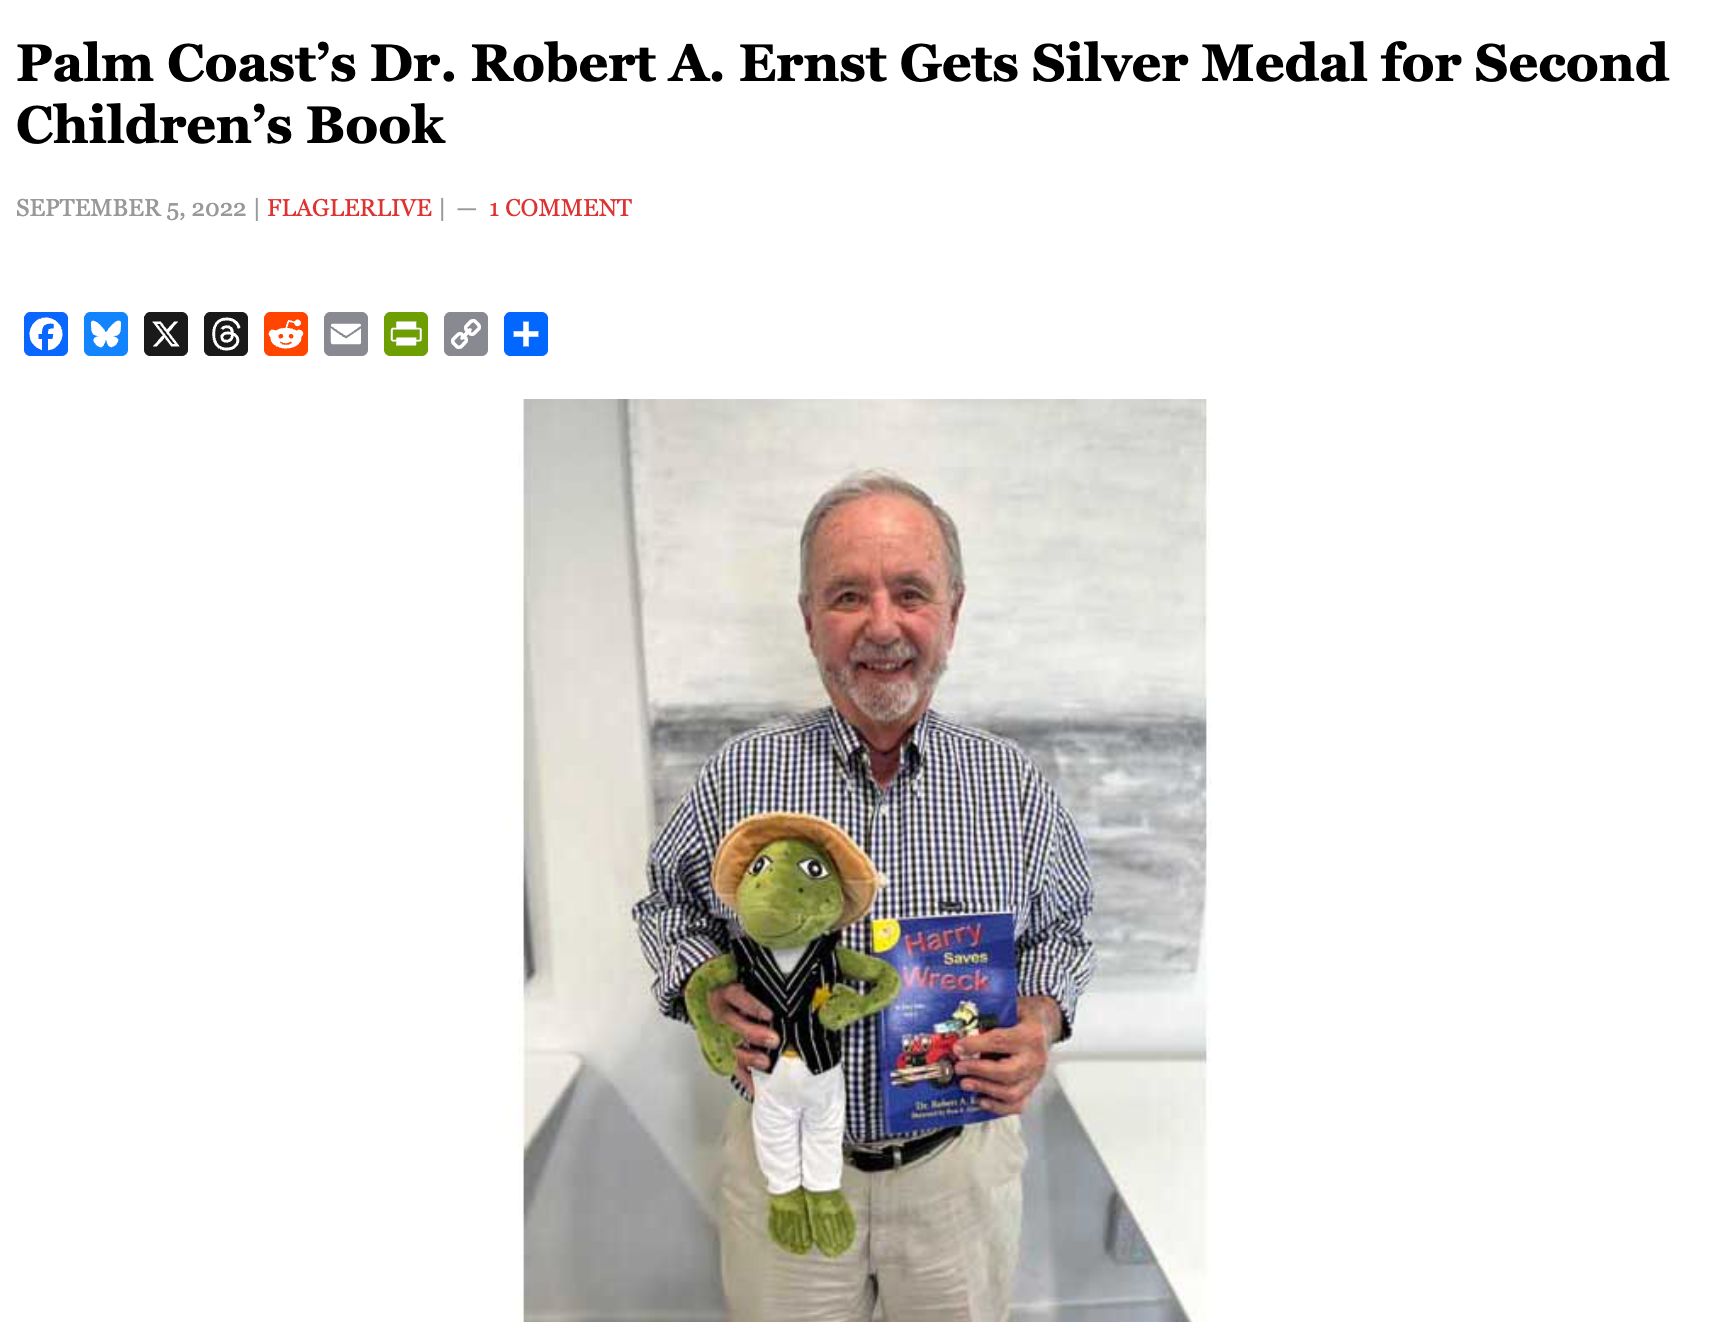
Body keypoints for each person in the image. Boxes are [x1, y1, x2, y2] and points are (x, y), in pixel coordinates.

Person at [632, 471, 1096, 1321]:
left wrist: (1041, 1020)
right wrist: (704, 986)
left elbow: (1064, 928)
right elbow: (666, 903)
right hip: (784, 1166)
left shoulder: (1013, 783)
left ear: (952, 612)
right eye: (849, 595)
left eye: (910, 593)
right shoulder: (742, 773)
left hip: (959, 1169)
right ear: (810, 618)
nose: (882, 625)